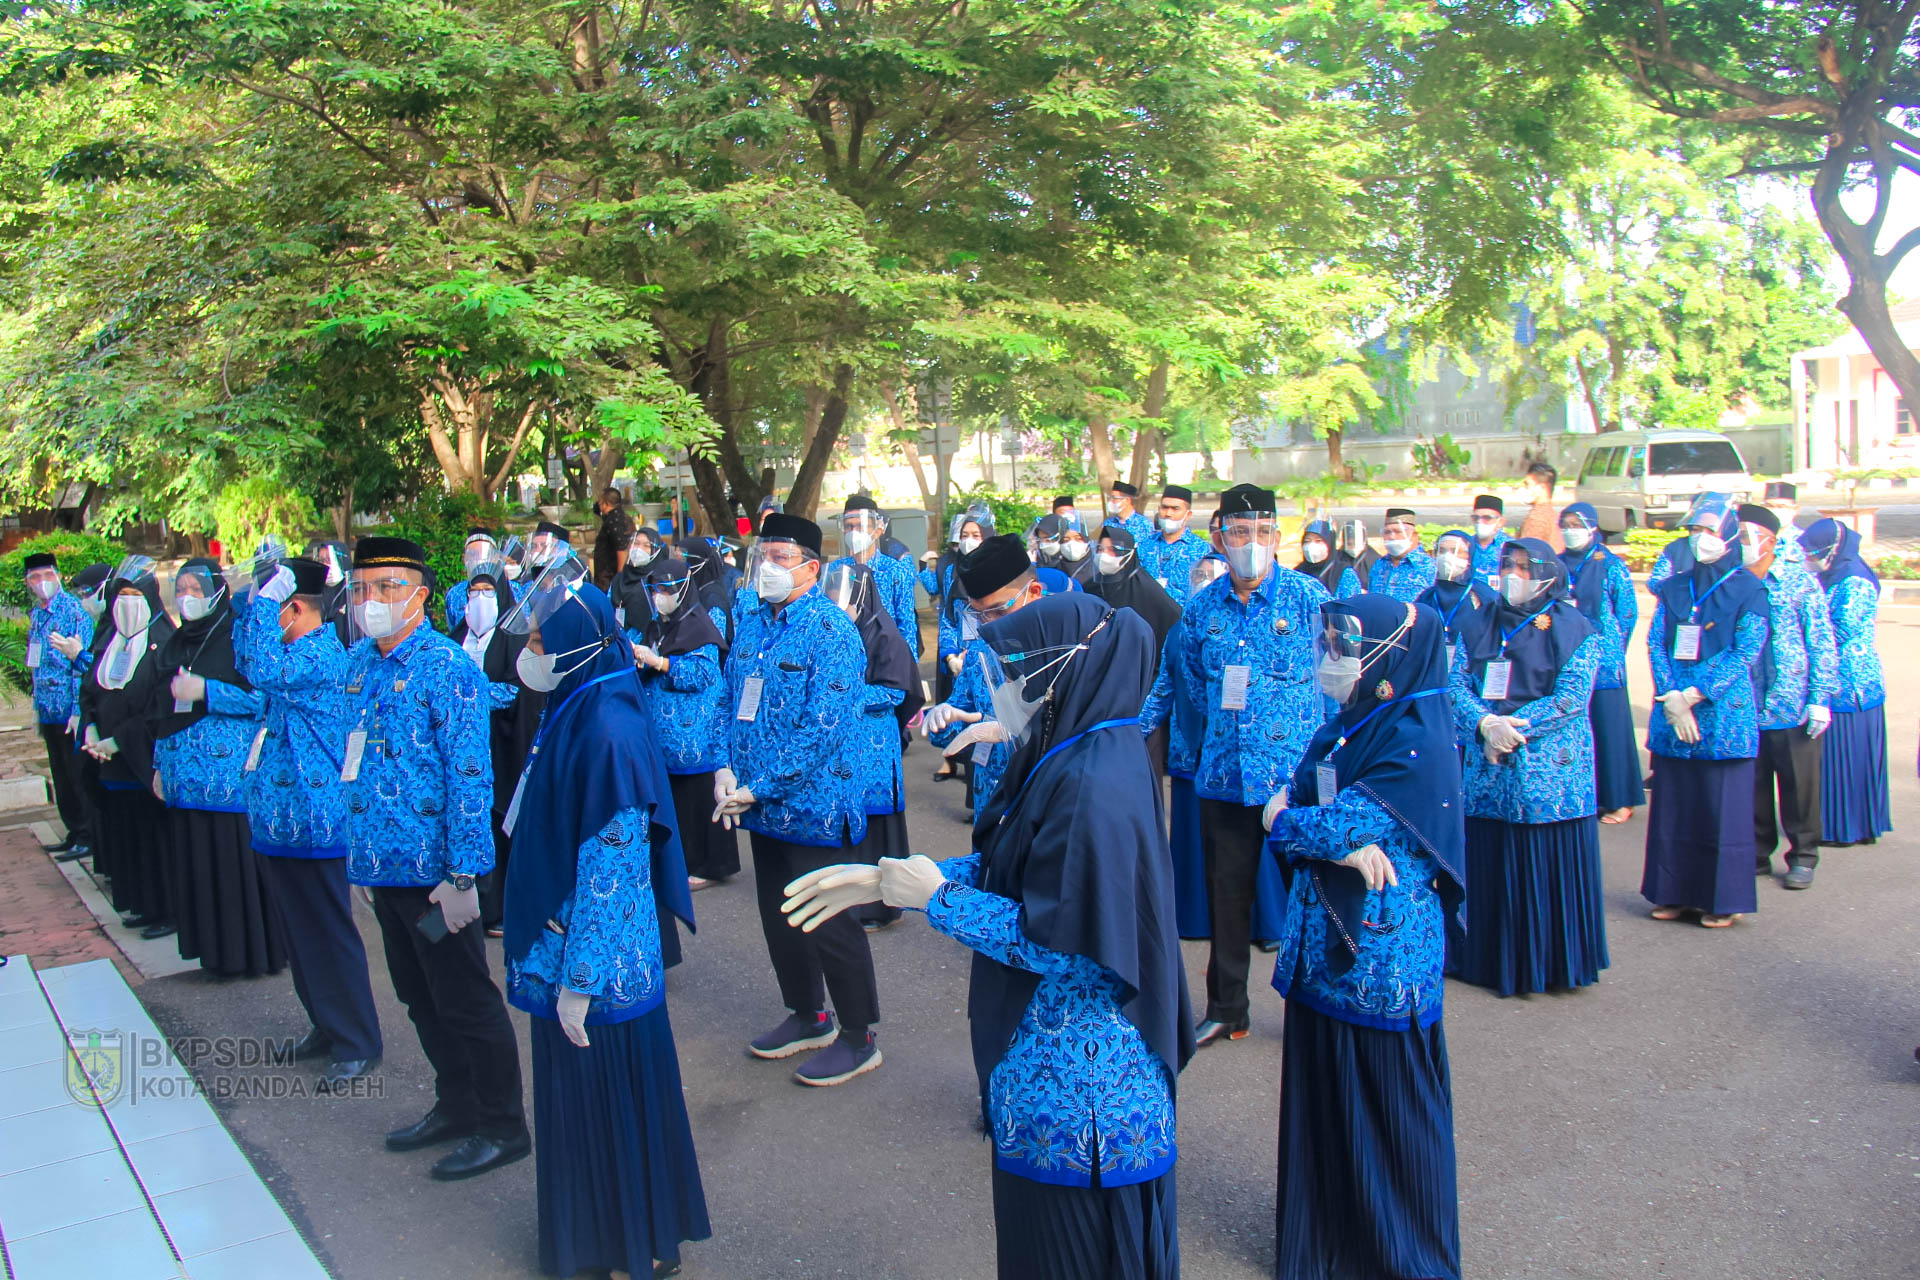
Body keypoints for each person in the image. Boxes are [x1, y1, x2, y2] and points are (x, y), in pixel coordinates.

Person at [783, 591, 1193, 1280]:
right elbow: (1022, 869)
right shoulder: (1079, 749)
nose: (999, 688)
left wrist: (937, 900)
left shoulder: (1094, 778)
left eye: (1010, 670)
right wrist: (894, 880)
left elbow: (1059, 937)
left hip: (1079, 1098)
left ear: (1060, 669)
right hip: (1061, 1078)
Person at [497, 567, 709, 1279]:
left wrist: (580, 981)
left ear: (572, 646)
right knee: (590, 1107)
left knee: (605, 1105)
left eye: (537, 639)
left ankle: (619, 1242)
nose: (528, 650)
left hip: (595, 968)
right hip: (574, 950)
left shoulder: (609, 729)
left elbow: (612, 875)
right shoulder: (582, 700)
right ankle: (607, 1235)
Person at [1263, 594, 1463, 1280]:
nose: (1331, 657)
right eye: (1328, 642)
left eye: (1346, 645)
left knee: (1388, 1111)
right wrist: (1303, 823)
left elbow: (1318, 820)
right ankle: (1328, 1244)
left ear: (1392, 656)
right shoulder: (1352, 723)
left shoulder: (1418, 737)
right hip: (1322, 943)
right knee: (1327, 1102)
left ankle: (1401, 1258)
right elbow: (1301, 798)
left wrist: (1286, 822)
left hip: (1381, 959)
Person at [343, 536, 528, 1180]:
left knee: (466, 1000)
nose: (373, 601)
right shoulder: (360, 663)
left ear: (421, 595)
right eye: (363, 588)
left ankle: (503, 1125)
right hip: (380, 864)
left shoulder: (447, 668)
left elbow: (471, 777)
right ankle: (456, 1103)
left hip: (433, 873)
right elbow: (355, 762)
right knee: (417, 998)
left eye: (388, 587)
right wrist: (357, 856)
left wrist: (463, 874)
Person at [1150, 483, 1329, 1047]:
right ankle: (1228, 1008)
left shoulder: (1309, 599)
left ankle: (1318, 1003)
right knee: (1228, 900)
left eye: (1264, 533)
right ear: (1219, 537)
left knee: (1314, 894)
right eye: (1240, 533)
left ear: (1278, 537)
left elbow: (1341, 680)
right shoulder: (1200, 608)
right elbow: (1177, 686)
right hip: (1225, 778)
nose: (1252, 544)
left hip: (1292, 782)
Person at [715, 512, 884, 1086]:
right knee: (779, 917)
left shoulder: (831, 631)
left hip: (814, 804)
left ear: (813, 568)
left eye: (781, 558)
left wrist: (757, 785)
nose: (768, 567)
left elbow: (824, 727)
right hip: (760, 806)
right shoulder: (756, 622)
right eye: (764, 556)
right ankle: (808, 1014)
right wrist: (723, 767)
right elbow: (730, 698)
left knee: (828, 921)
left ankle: (859, 1036)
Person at [236, 557, 383, 1087]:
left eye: (274, 608)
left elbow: (259, 668)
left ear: (294, 608)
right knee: (299, 934)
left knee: (328, 932)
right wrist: (256, 609)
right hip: (281, 818)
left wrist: (258, 606)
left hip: (316, 819)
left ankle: (357, 1039)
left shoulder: (317, 653)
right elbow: (244, 657)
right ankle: (325, 1023)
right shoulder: (293, 651)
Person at [1446, 538, 1608, 995]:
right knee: (1490, 860)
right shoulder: (1478, 621)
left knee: (1539, 865)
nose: (1513, 575)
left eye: (1524, 566)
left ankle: (1547, 965)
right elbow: (1454, 684)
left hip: (1547, 776)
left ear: (1548, 574)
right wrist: (1484, 722)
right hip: (1488, 769)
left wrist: (1514, 728)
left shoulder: (1575, 627)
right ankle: (1485, 961)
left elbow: (1573, 698)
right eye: (1507, 565)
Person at [1142, 554, 1287, 945]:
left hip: (1243, 755)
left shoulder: (1251, 626)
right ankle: (1194, 920)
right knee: (1197, 844)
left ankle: (1268, 923)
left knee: (1250, 847)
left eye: (1213, 575)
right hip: (1193, 751)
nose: (1204, 582)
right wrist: (1132, 730)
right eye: (1199, 575)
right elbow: (1164, 687)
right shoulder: (1183, 627)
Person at [1641, 499, 1770, 929]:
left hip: (1721, 713)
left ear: (1731, 536)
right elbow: (1656, 641)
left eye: (1711, 531)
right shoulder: (1675, 586)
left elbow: (1747, 650)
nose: (1701, 539)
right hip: (1672, 709)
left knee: (1720, 810)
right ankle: (1672, 892)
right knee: (1675, 806)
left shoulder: (1749, 589)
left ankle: (1721, 899)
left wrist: (1696, 692)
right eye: (1694, 530)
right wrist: (1670, 693)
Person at [154, 558, 283, 978]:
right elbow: (160, 708)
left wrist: (207, 690)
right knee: (198, 871)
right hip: (183, 780)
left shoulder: (237, 634)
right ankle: (213, 956)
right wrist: (159, 765)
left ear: (215, 590)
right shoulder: (176, 642)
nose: (188, 596)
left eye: (197, 587)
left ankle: (248, 955)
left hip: (227, 783)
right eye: (182, 589)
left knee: (232, 869)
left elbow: (260, 699)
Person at [1738, 506, 1838, 890]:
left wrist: (1820, 697)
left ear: (1771, 539)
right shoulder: (1736, 579)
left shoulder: (1798, 581)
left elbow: (1821, 640)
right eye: (1739, 534)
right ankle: (1758, 853)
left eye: (1750, 535)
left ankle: (1804, 856)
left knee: (1800, 786)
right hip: (1746, 703)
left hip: (1792, 702)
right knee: (1754, 784)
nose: (1742, 542)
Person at [822, 560, 924, 931]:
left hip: (876, 742)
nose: (836, 601)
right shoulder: (836, 630)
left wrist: (845, 696)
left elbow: (895, 691)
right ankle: (848, 899)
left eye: (842, 595)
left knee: (877, 824)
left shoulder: (885, 634)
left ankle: (881, 907)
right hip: (848, 741)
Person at [79, 556, 176, 938]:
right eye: (122, 595)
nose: (128, 603)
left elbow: (158, 707)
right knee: (126, 839)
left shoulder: (163, 644)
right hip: (110, 764)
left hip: (141, 762)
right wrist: (89, 730)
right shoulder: (109, 641)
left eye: (136, 595)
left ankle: (165, 909)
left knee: (153, 840)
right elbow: (90, 693)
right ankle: (140, 904)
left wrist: (120, 741)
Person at [450, 558, 545, 935]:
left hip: (505, 743)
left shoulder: (513, 638)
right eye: (474, 592)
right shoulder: (456, 636)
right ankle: (477, 905)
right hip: (466, 747)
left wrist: (467, 696)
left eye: (488, 592)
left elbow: (513, 688)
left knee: (505, 823)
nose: (480, 599)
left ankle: (507, 907)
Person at [635, 555, 739, 891]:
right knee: (678, 803)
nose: (659, 596)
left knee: (699, 803)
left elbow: (704, 673)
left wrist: (662, 663)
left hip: (693, 734)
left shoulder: (700, 625)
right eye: (656, 589)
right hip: (667, 738)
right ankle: (683, 860)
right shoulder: (659, 624)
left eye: (667, 589)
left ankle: (709, 865)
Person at [924, 537, 1033, 826]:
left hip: (1038, 793)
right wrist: (946, 718)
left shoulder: (1059, 644)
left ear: (1032, 592)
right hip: (988, 790)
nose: (988, 622)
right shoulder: (979, 649)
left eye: (997, 610)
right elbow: (959, 714)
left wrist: (1010, 728)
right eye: (978, 614)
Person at [1800, 519, 1893, 848]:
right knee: (1835, 760)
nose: (1811, 557)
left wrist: (1802, 644)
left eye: (1815, 551)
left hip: (1851, 685)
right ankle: (1846, 824)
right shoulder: (1829, 574)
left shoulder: (1855, 580)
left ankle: (1848, 827)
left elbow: (1841, 630)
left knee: (1847, 758)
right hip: (1833, 679)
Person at [1558, 504, 1644, 823]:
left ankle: (1620, 799)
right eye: (1565, 524)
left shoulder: (1609, 564)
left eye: (1576, 524)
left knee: (1610, 730)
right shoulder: (1557, 563)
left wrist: (1614, 649)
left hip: (1604, 661)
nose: (1570, 530)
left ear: (1592, 527)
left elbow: (1628, 612)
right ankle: (1586, 795)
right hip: (1566, 657)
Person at [24, 554, 96, 860]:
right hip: (48, 708)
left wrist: (79, 711)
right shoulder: (37, 615)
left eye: (46, 575)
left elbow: (81, 664)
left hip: (69, 708)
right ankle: (72, 831)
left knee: (76, 772)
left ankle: (87, 834)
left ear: (57, 575)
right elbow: (35, 661)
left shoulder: (73, 612)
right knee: (60, 773)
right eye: (34, 578)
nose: (42, 583)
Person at [832, 494, 921, 660]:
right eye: (849, 526)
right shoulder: (837, 570)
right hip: (845, 662)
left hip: (885, 662)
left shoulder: (896, 571)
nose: (853, 533)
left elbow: (907, 625)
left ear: (877, 530)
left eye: (860, 526)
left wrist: (908, 672)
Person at [1417, 531, 1497, 650]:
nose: (1446, 557)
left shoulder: (1483, 597)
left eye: (1455, 551)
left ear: (1469, 557)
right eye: (1442, 551)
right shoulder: (1427, 597)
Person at [1336, 508, 1434, 602]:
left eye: (1398, 532)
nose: (1392, 536)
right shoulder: (1379, 564)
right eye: (1387, 532)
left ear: (1414, 535)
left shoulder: (1429, 566)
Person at [1136, 485, 1209, 603]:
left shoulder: (1200, 549)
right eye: (1164, 508)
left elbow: (1203, 592)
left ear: (1188, 515)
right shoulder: (1144, 545)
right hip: (1145, 615)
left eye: (1175, 509)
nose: (1168, 513)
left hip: (1182, 616)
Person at [608, 525, 666, 638]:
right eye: (636, 543)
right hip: (616, 641)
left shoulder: (657, 582)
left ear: (656, 551)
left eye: (646, 546)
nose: (639, 549)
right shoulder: (619, 579)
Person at [442, 529, 497, 633]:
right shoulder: (455, 594)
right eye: (473, 555)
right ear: (464, 559)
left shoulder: (513, 590)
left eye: (485, 555)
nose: (479, 560)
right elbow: (454, 630)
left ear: (495, 558)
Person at [1293, 519, 1351, 595]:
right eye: (1307, 541)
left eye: (1318, 540)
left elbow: (1351, 603)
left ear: (1329, 543)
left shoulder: (1344, 573)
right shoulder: (1298, 572)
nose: (1311, 545)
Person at [592, 486, 636, 589]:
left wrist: (619, 578)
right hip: (606, 574)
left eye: (600, 501)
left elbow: (622, 549)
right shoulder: (615, 517)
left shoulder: (615, 521)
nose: (598, 504)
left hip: (610, 575)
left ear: (606, 503)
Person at [1516, 461, 1565, 552]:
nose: (1524, 489)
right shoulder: (1552, 514)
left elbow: (1527, 554)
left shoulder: (1536, 518)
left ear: (1542, 488)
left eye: (1527, 484)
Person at [1468, 495, 1511, 589]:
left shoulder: (1511, 548)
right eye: (1476, 518)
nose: (1480, 522)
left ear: (1500, 522)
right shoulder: (1465, 546)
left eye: (1487, 518)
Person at [1339, 517, 1379, 591]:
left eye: (1356, 543)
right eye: (1350, 543)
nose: (1353, 547)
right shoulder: (1338, 558)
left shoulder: (1374, 560)